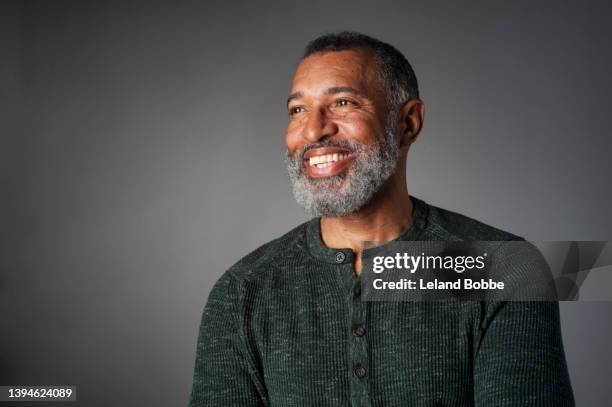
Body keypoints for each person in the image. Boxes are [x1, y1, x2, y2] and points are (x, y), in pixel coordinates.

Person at [188, 31, 574, 406]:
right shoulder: (242, 292)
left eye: (342, 103)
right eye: (298, 110)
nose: (313, 129)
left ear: (408, 123)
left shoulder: (504, 269)